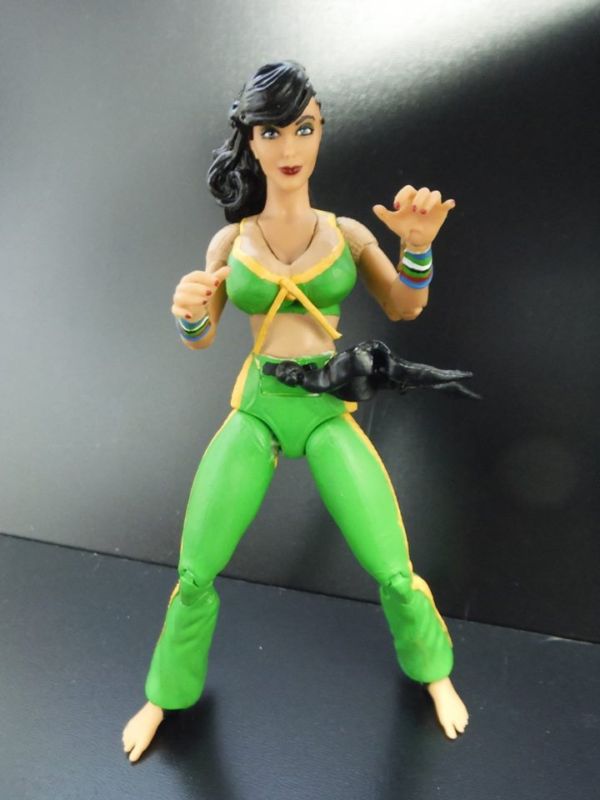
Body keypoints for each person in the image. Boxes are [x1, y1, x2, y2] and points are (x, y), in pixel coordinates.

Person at [122, 60, 469, 763]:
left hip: (326, 409)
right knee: (196, 569)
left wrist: (418, 250)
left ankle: (434, 672)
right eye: (272, 131)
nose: (288, 147)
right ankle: (166, 693)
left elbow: (405, 305)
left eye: (303, 129)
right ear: (251, 140)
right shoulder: (231, 242)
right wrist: (188, 313)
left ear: (320, 133)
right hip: (258, 407)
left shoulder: (347, 234)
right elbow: (202, 336)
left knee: (392, 565)